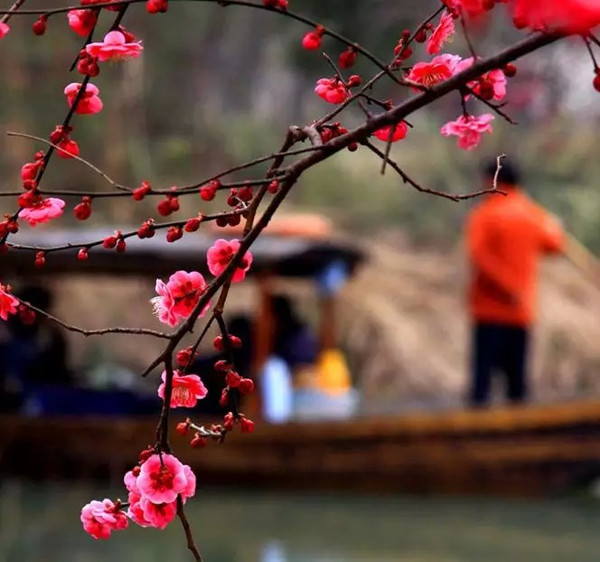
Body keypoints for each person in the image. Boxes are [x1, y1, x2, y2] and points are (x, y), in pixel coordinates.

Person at [466, 159, 565, 406]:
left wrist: (506, 287)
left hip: (490, 309)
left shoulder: (486, 214)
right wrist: (556, 226)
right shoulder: (533, 213)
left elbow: (478, 256)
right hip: (521, 309)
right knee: (517, 381)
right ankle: (522, 434)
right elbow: (555, 245)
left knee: (483, 380)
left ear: (492, 181)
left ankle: (478, 437)